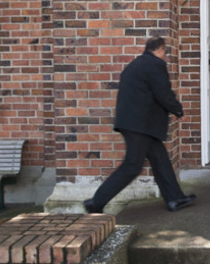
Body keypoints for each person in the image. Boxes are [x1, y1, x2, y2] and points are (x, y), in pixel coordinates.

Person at [84, 36, 197, 214]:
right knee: (132, 165)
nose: (165, 57)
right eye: (165, 52)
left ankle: (175, 198)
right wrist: (178, 110)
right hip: (141, 125)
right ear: (160, 49)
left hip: (138, 124)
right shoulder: (154, 65)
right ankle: (96, 202)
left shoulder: (134, 65)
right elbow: (163, 92)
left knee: (161, 161)